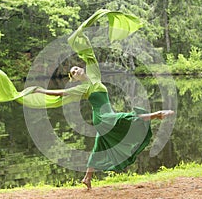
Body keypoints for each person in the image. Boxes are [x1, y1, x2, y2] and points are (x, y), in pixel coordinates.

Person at [34, 65, 174, 189]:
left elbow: (90, 58)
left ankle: (87, 178)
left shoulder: (94, 78)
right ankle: (157, 114)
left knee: (98, 146)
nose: (76, 70)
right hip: (102, 118)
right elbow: (60, 93)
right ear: (74, 78)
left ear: (82, 68)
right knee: (127, 118)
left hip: (107, 115)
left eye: (76, 68)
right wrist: (41, 91)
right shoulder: (82, 88)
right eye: (73, 72)